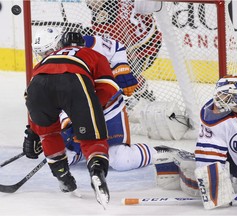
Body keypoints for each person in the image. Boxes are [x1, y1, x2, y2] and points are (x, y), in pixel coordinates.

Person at [153, 74, 237, 209]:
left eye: (225, 96)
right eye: (219, 94)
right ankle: (181, 161)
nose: (219, 100)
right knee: (196, 184)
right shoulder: (214, 115)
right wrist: (212, 183)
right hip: (230, 159)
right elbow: (209, 151)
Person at [23, 28, 120, 206]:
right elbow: (108, 87)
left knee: (49, 135)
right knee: (93, 140)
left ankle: (63, 178)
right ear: (83, 44)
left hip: (38, 86)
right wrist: (85, 113)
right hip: (74, 81)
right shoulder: (93, 54)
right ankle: (97, 173)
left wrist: (33, 130)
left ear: (60, 45)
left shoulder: (46, 59)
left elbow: (29, 95)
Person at [60, 34, 156, 170]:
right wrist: (68, 124)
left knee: (120, 160)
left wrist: (121, 69)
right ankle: (82, 150)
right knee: (63, 158)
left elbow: (116, 48)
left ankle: (158, 152)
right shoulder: (51, 68)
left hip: (109, 109)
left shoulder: (90, 46)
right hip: (79, 111)